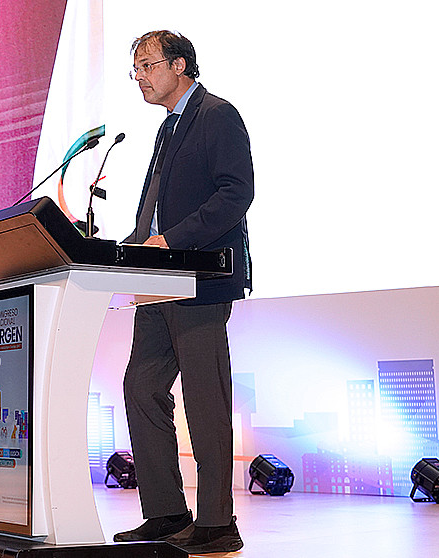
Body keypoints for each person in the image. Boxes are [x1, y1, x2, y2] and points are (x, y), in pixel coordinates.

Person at [112, 30, 253, 554]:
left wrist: (170, 241)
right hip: (157, 285)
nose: (140, 77)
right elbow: (153, 212)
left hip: (198, 281)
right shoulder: (166, 129)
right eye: (136, 69)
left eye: (147, 65)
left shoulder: (217, 115)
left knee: (204, 400)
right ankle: (168, 513)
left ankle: (218, 524)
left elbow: (237, 193)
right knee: (141, 388)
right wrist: (126, 251)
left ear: (180, 65)